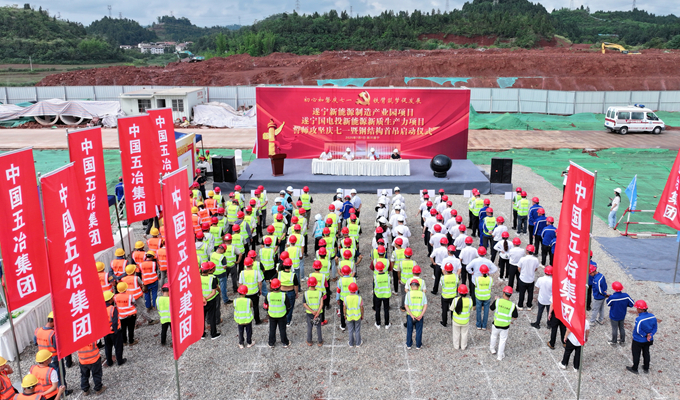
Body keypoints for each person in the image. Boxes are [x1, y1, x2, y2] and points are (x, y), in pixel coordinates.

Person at [626, 300, 657, 374]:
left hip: (638, 340)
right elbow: (655, 328)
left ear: (640, 309)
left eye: (637, 308)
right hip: (649, 340)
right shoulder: (653, 316)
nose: (636, 310)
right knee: (646, 353)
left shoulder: (639, 319)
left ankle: (635, 368)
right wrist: (650, 335)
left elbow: (638, 330)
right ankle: (646, 367)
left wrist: (645, 335)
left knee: (636, 354)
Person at [489, 286, 518, 361]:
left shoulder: (498, 301)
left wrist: (495, 300)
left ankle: (492, 349)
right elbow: (515, 317)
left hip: (496, 323)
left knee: (494, 336)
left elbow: (491, 308)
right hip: (505, 326)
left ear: (504, 293)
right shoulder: (512, 305)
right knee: (502, 340)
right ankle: (500, 356)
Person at [265, 279, 291, 348]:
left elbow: (265, 306)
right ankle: (285, 342)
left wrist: (268, 311)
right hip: (282, 315)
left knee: (272, 329)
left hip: (272, 315)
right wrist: (286, 313)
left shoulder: (268, 295)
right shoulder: (284, 295)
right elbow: (288, 307)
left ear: (271, 286)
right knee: (282, 329)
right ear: (280, 286)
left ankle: (271, 343)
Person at [238, 257, 265, 325]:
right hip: (254, 292)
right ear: (252, 264)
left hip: (245, 293)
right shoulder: (256, 272)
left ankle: (247, 320)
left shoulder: (242, 273)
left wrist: (241, 293)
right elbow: (260, 283)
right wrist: (260, 290)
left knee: (246, 306)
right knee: (255, 306)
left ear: (245, 265)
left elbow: (240, 284)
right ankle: (257, 321)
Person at [103, 291, 125, 366]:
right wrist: (114, 329)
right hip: (114, 332)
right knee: (118, 346)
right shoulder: (113, 309)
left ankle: (109, 362)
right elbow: (115, 321)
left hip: (106, 332)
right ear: (110, 300)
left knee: (108, 347)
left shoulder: (100, 309)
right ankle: (120, 361)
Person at [200, 262, 221, 340]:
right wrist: (206, 299)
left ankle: (202, 334)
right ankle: (213, 334)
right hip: (211, 300)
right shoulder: (213, 278)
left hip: (201, 301)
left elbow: (196, 290)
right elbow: (213, 292)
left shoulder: (198, 278)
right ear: (209, 270)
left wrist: (203, 298)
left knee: (202, 317)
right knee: (212, 317)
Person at [404, 280, 427, 349]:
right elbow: (425, 305)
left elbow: (406, 306)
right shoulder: (423, 294)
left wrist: (411, 315)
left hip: (410, 316)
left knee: (409, 330)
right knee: (419, 330)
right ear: (418, 286)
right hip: (419, 315)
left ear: (411, 286)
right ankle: (418, 345)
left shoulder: (408, 294)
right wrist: (421, 315)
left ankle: (409, 344)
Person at [115, 282, 138, 347]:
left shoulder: (115, 297)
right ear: (125, 288)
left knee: (123, 329)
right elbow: (134, 302)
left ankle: (124, 341)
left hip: (121, 316)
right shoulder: (130, 296)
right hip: (130, 315)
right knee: (131, 328)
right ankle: (131, 341)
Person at [516, 245, 539, 310]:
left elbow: (519, 268)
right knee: (530, 293)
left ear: (527, 251)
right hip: (531, 279)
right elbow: (536, 268)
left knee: (522, 293)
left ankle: (520, 305)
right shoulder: (536, 260)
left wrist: (522, 272)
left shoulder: (522, 259)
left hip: (523, 278)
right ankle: (529, 305)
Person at [303, 277, 324, 346]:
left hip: (310, 313)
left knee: (309, 326)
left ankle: (309, 341)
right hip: (318, 313)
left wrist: (312, 311)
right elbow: (321, 304)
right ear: (316, 284)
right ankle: (320, 341)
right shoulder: (320, 293)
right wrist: (317, 313)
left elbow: (304, 304)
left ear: (308, 284)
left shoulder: (306, 293)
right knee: (318, 327)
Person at [279, 258, 299, 327]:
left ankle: (282, 320)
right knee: (290, 307)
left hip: (281, 292)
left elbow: (272, 280)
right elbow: (296, 285)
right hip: (290, 292)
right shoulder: (293, 275)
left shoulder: (279, 274)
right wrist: (296, 293)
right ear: (290, 266)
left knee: (282, 306)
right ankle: (288, 321)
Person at [451, 285, 472, 350]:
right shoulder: (470, 300)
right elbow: (471, 309)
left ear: (459, 292)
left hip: (456, 321)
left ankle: (456, 346)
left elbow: (451, 309)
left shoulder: (455, 300)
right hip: (465, 321)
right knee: (464, 334)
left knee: (456, 334)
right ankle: (463, 346)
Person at [336, 265, 356, 331]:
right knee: (352, 311)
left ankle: (343, 325)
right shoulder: (353, 279)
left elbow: (338, 290)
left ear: (342, 272)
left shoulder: (340, 280)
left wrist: (337, 298)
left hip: (343, 299)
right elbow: (355, 290)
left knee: (342, 312)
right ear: (350, 272)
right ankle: (352, 325)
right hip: (351, 298)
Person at [473, 265, 493, 330]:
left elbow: (475, 285)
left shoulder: (477, 279)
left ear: (480, 271)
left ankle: (479, 325)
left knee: (478, 311)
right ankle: (484, 325)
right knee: (486, 311)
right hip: (487, 297)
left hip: (479, 296)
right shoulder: (490, 279)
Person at [344, 282, 364, 347]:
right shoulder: (359, 298)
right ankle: (358, 343)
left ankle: (351, 343)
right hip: (357, 316)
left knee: (350, 330)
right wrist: (362, 315)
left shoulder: (346, 298)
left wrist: (345, 315)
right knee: (357, 330)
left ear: (349, 289)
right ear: (356, 290)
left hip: (349, 316)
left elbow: (344, 308)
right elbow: (361, 308)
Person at [373, 261, 391, 329]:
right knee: (386, 309)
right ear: (383, 268)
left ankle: (378, 323)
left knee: (378, 309)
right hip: (386, 294)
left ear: (377, 269)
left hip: (378, 294)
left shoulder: (375, 277)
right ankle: (387, 324)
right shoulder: (388, 276)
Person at [440, 263, 458, 327]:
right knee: (453, 310)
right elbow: (457, 283)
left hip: (445, 296)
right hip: (453, 296)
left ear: (445, 270)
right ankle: (453, 322)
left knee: (444, 310)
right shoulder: (456, 276)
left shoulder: (443, 278)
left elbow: (441, 284)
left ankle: (444, 322)